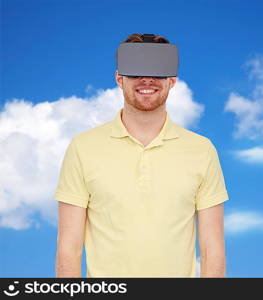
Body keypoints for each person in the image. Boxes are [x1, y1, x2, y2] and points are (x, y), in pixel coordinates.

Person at [55, 33, 228, 277]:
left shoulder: (202, 150)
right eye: (135, 70)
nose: (146, 79)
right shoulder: (82, 148)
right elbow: (68, 249)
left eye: (157, 71)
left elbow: (213, 251)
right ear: (119, 78)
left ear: (172, 80)